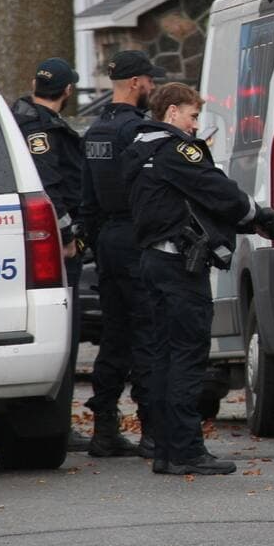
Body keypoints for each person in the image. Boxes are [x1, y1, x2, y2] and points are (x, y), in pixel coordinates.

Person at [122, 82, 274, 475]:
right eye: (192, 116)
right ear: (172, 112)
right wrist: (258, 215)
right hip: (178, 269)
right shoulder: (175, 149)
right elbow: (217, 191)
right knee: (187, 359)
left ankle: (163, 448)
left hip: (152, 263)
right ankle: (187, 451)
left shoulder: (137, 148)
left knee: (161, 357)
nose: (194, 125)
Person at [80, 50, 165, 458]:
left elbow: (87, 199)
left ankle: (104, 429)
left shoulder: (96, 129)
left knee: (114, 337)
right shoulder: (136, 130)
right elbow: (150, 191)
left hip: (108, 242)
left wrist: (98, 240)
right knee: (147, 333)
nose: (151, 88)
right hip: (135, 238)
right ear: (136, 83)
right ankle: (152, 432)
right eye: (149, 81)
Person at [11, 57, 88, 452]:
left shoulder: (18, 117)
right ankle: (57, 422)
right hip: (57, 244)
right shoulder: (40, 129)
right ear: (68, 90)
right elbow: (50, 185)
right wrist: (68, 234)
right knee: (64, 335)